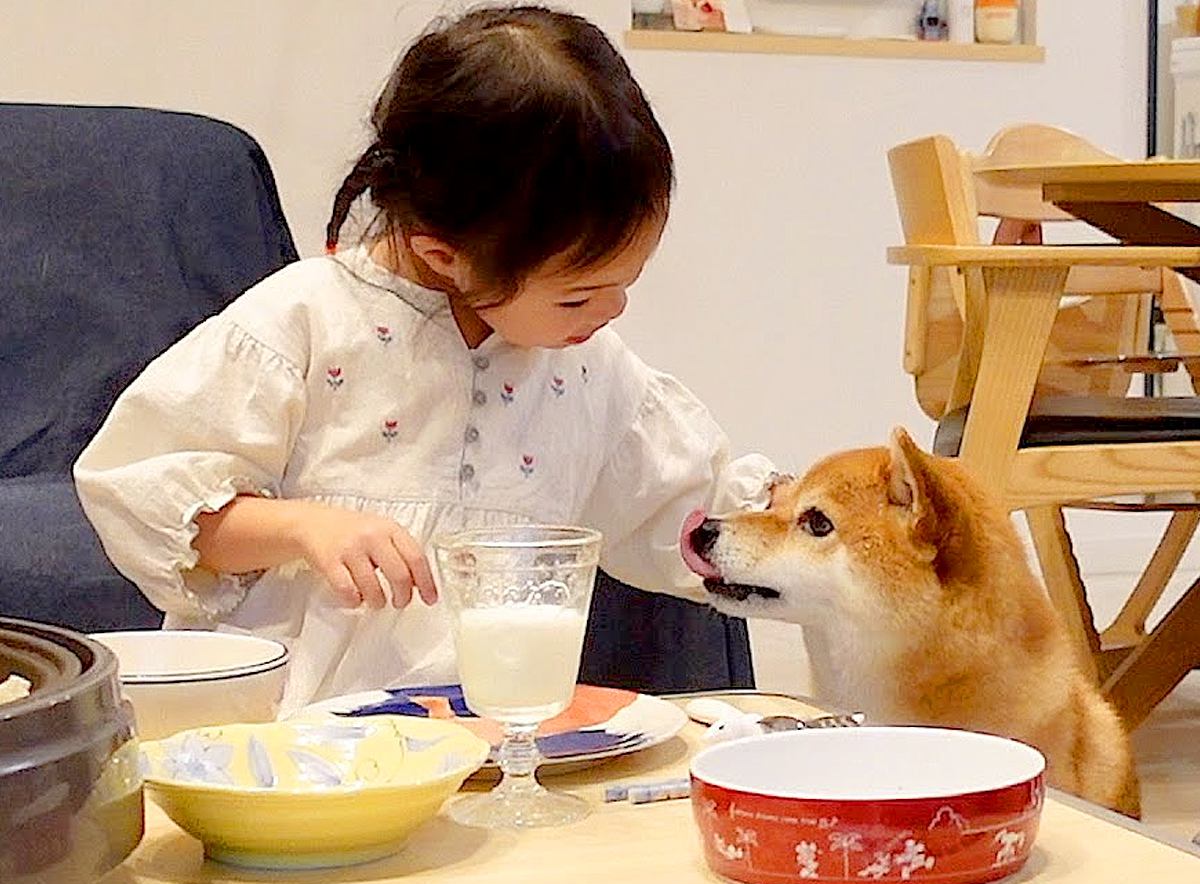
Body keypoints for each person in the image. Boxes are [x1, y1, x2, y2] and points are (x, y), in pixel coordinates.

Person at [75, 5, 771, 713]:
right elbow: (143, 495)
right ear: (445, 251)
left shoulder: (587, 370)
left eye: (627, 286)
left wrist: (833, 521)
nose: (611, 313)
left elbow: (694, 514)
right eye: (578, 297)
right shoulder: (304, 322)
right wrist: (304, 526)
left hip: (494, 749)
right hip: (291, 750)